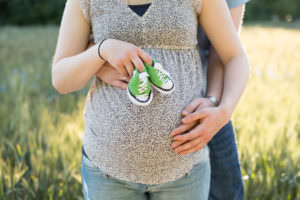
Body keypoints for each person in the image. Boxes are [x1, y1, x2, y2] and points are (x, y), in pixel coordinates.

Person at [51, 0, 250, 199]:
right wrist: (102, 51)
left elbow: (233, 56)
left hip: (186, 171)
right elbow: (61, 80)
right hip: (107, 170)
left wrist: (223, 109)